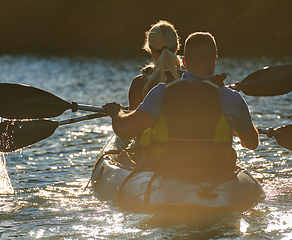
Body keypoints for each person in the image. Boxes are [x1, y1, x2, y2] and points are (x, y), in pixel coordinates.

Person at [103, 32, 259, 182]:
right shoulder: (231, 98)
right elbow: (251, 143)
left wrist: (117, 112)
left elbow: (125, 131)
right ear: (214, 60)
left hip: (168, 175)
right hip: (217, 175)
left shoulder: (161, 93)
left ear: (184, 61)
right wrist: (237, 126)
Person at [128, 20, 184, 110]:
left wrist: (117, 112)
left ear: (150, 50)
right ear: (176, 48)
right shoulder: (190, 78)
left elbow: (132, 123)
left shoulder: (139, 83)